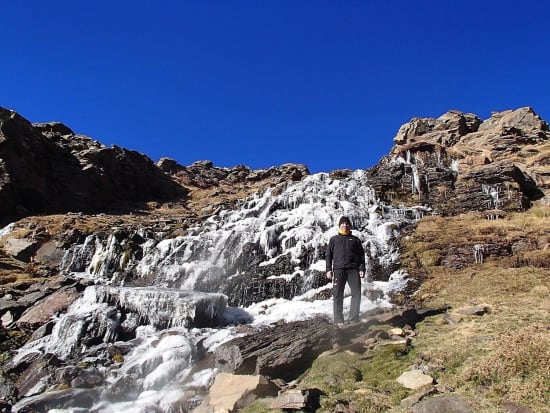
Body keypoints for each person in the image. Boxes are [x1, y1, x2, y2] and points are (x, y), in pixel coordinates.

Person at [325, 216, 366, 325]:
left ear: (350, 226)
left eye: (347, 224)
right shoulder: (334, 239)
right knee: (338, 294)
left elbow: (361, 256)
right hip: (339, 270)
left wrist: (362, 268)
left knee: (356, 293)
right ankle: (339, 320)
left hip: (353, 269)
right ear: (339, 226)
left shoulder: (355, 240)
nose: (345, 225)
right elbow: (328, 255)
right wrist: (328, 269)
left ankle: (353, 319)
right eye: (343, 223)